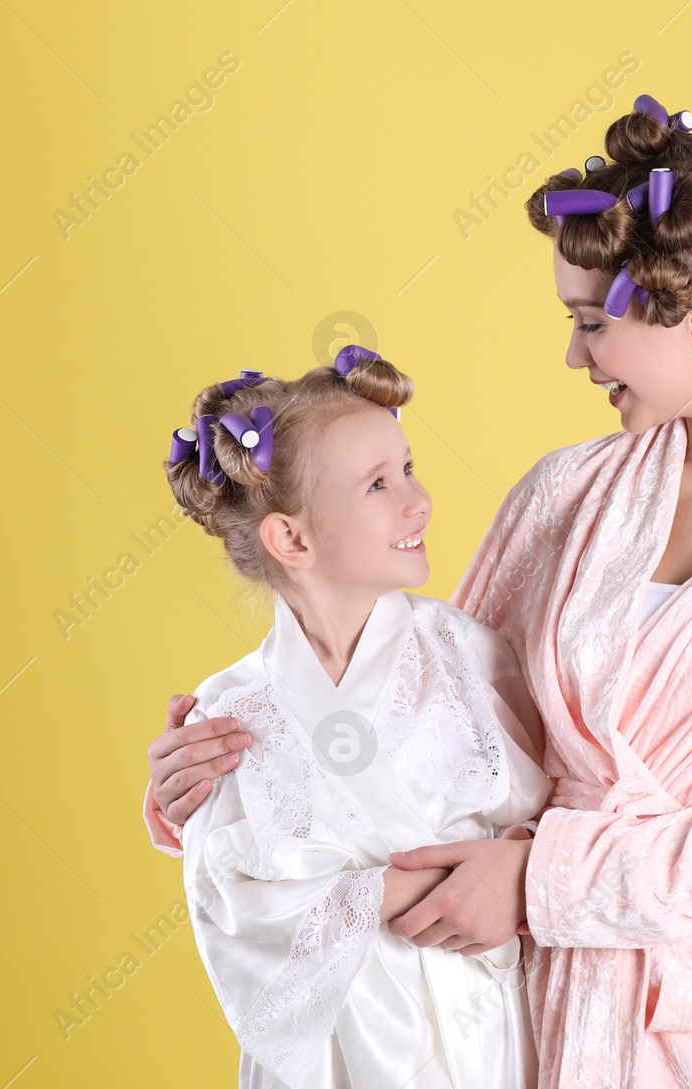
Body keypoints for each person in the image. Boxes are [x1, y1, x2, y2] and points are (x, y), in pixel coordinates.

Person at [146, 94, 692, 1088]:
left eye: (591, 323)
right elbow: (433, 736)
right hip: (548, 1032)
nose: (573, 356)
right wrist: (238, 771)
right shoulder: (569, 496)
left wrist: (546, 882)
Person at [159, 346, 551, 1088]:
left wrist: (515, 867)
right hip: (346, 1049)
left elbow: (549, 804)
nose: (418, 500)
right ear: (292, 538)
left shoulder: (466, 655)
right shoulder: (232, 715)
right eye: (378, 483)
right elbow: (230, 904)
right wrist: (394, 891)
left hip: (484, 1027)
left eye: (408, 467)